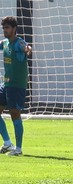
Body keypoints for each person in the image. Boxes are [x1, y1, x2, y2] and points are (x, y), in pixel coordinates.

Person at [0, 16, 31, 156]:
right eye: (4, 28)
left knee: (14, 114)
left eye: (7, 27)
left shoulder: (19, 43)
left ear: (14, 29)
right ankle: (7, 143)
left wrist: (27, 49)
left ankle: (18, 149)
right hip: (6, 83)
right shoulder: (5, 43)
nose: (5, 30)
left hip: (17, 85)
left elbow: (26, 48)